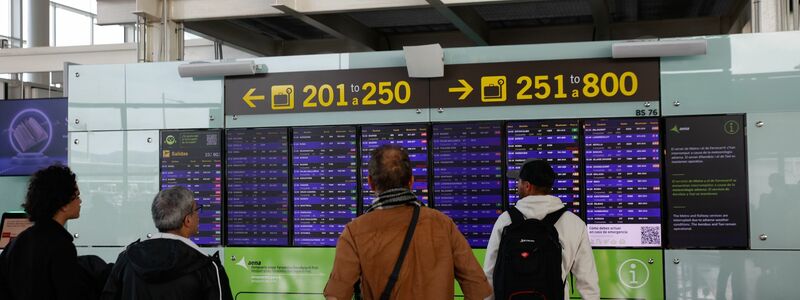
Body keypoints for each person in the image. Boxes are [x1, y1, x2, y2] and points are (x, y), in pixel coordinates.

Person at [324, 144, 492, 300]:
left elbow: (336, 296)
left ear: (370, 183)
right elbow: (478, 287)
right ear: (411, 181)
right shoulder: (443, 224)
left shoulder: (355, 232)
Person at [483, 159, 599, 300]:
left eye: (518, 181)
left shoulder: (505, 220)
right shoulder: (574, 223)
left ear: (527, 186)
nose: (517, 185)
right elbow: (588, 283)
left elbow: (489, 274)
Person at [101, 186, 233, 300]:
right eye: (197, 210)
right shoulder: (207, 268)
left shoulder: (126, 259)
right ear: (187, 220)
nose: (199, 215)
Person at [0, 164, 88, 300]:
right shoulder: (61, 246)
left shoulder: (17, 242)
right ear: (63, 204)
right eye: (77, 195)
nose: (80, 201)